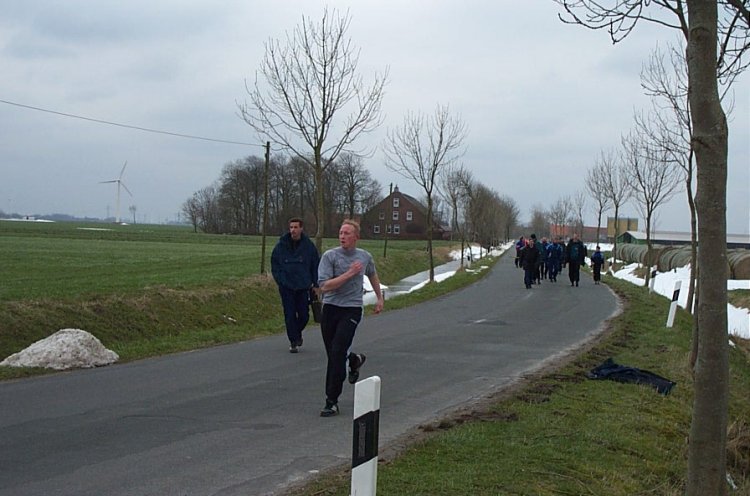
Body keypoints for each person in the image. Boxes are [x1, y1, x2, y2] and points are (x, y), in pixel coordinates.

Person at [317, 220, 384, 417]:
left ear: (356, 237)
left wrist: (379, 298)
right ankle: (354, 360)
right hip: (330, 308)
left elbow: (372, 275)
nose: (342, 236)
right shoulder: (330, 256)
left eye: (347, 233)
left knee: (338, 352)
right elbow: (324, 286)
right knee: (333, 354)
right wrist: (349, 274)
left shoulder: (364, 256)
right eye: (341, 233)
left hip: (352, 309)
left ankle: (331, 401)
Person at [271, 217, 320, 353]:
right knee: (290, 315)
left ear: (301, 229)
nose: (293, 230)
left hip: (303, 287)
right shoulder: (281, 246)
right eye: (291, 227)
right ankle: (293, 341)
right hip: (286, 287)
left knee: (304, 315)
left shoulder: (308, 246)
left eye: (296, 227)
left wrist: (316, 284)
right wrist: (280, 280)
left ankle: (296, 333)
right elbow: (275, 264)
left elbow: (315, 265)